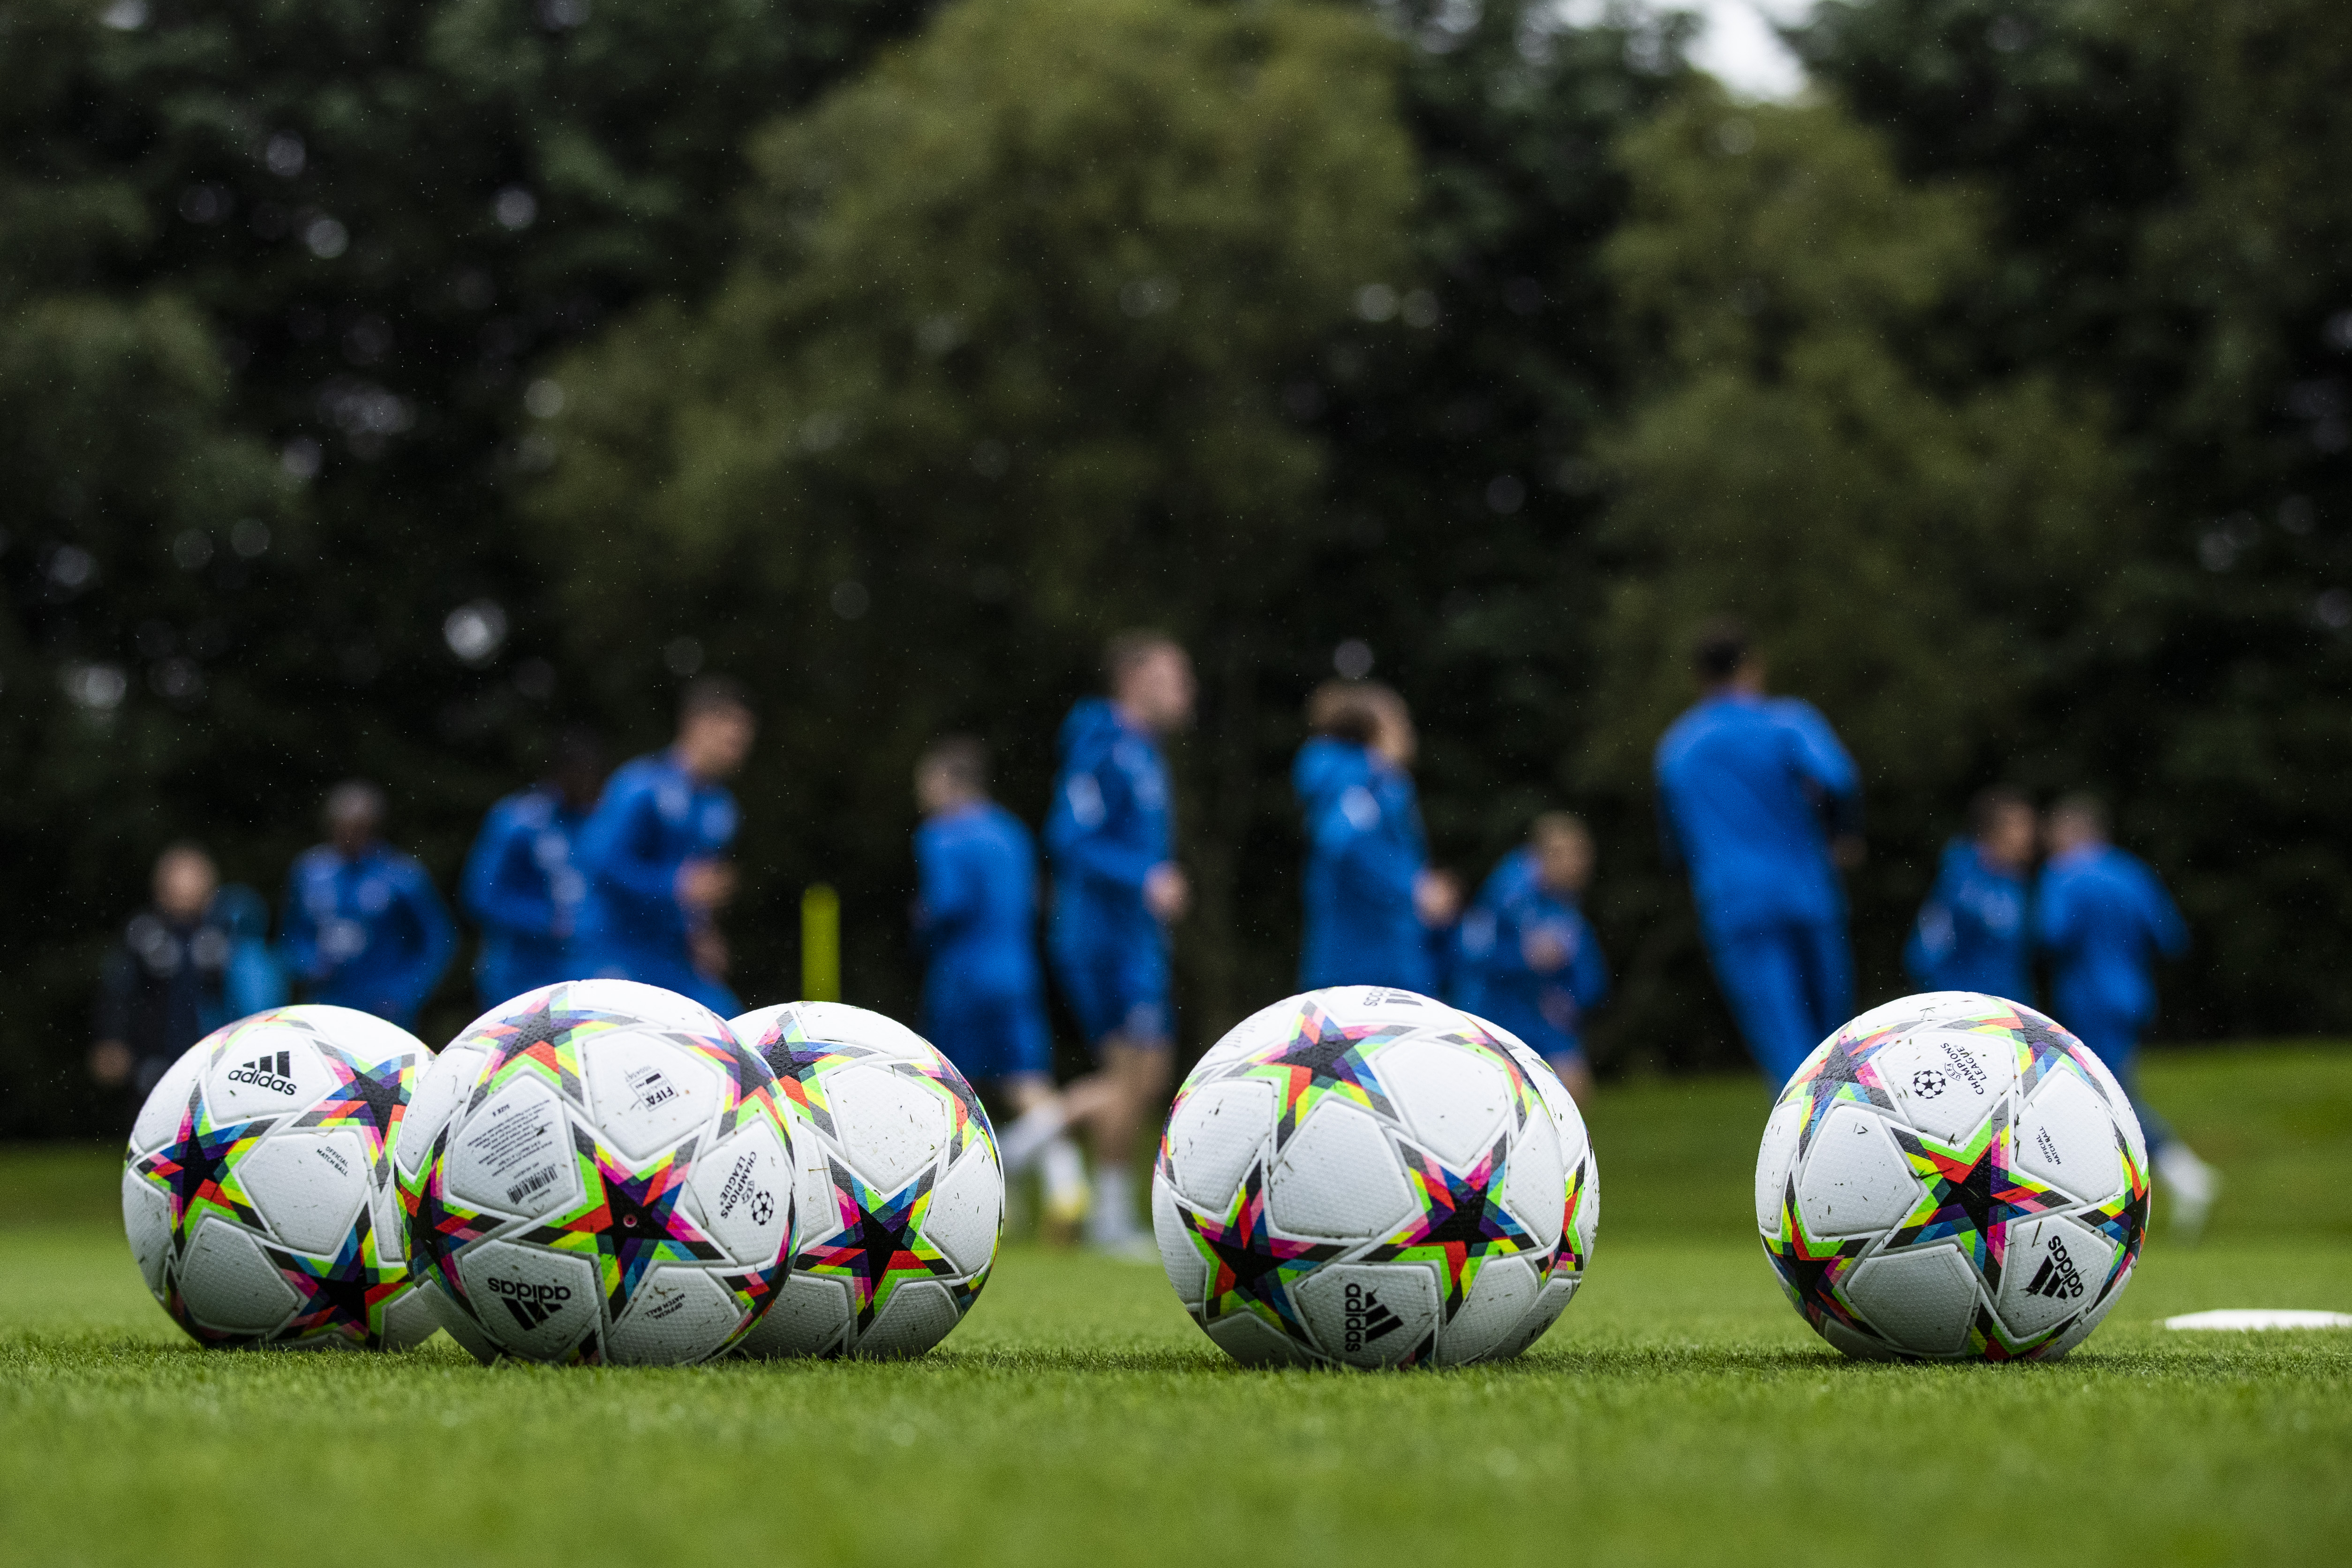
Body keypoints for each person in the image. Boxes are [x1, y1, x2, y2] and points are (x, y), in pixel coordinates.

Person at [1654, 621, 1862, 1087]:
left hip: (1734, 900)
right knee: (1835, 1037)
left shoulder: (1679, 745)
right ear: (1752, 665)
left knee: (1783, 1041)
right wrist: (1842, 836)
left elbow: (1673, 838)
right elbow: (1839, 779)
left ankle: (1803, 1140)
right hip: (1806, 888)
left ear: (1700, 676)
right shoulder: (1787, 720)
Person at [1042, 630, 1194, 1255]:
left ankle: (1039, 1148)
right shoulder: (1102, 742)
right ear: (1136, 679)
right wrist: (1145, 877)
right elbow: (1069, 836)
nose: (1187, 692)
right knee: (1137, 1071)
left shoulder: (1143, 749)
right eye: (1174, 676)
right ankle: (1104, 1214)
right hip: (1104, 935)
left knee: (1142, 1073)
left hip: (1132, 936)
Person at [911, 736, 1088, 1235]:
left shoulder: (941, 834)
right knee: (1029, 1082)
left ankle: (959, 1205)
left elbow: (948, 904)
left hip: (963, 975)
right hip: (1016, 970)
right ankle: (1067, 1189)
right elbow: (1034, 899)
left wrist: (921, 920)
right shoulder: (1013, 832)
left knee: (947, 1088)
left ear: (947, 782)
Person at [2036, 794, 2218, 1235]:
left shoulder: (2064, 875)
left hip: (2087, 998)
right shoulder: (2131, 871)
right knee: (2110, 1093)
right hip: (2132, 995)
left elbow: (2051, 934)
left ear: (2068, 833)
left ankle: (2180, 1172)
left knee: (2108, 1100)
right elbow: (2170, 937)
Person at [575, 677, 757, 1015]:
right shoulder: (640, 785)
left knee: (735, 1034)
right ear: (695, 724)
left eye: (742, 739)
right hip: (615, 952)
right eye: (728, 735)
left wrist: (703, 933)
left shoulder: (723, 808)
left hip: (675, 960)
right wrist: (673, 884)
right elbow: (597, 864)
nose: (737, 746)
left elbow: (697, 891)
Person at [1294, 679, 1462, 995]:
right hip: (1369, 970)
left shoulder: (1367, 781)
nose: (1410, 732)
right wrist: (1414, 891)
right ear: (1377, 728)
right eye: (1402, 721)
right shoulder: (1370, 780)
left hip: (1361, 964)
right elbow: (1343, 843)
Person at [91, 845, 286, 1106]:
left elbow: (256, 991)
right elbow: (118, 990)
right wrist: (112, 1039)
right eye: (174, 884)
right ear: (159, 890)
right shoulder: (142, 933)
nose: (183, 893)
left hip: (215, 1057)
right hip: (151, 1058)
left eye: (193, 883)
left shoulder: (230, 935)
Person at [1454, 813, 1608, 1103]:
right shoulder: (1509, 892)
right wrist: (1525, 959)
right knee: (1501, 1105)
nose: (1579, 866)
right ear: (1545, 855)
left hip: (1544, 1014)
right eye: (1570, 856)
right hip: (1497, 1012)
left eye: (1583, 856)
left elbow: (1585, 972)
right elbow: (1470, 951)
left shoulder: (1564, 895)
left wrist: (1573, 998)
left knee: (1575, 1091)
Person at [281, 782, 457, 1029]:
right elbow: (293, 932)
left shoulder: (401, 875)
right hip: (327, 1000)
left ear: (373, 828)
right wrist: (307, 964)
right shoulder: (310, 871)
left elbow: (437, 940)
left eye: (359, 828)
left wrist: (405, 993)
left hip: (384, 1006)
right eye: (343, 827)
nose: (350, 836)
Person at [461, 730, 607, 1008]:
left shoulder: (600, 820)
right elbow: (481, 895)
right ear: (562, 774)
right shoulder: (518, 820)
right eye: (583, 777)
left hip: (585, 968)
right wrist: (548, 921)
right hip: (519, 972)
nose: (591, 787)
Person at [1905, 786, 2035, 1002]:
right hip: (1963, 1011)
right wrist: (1945, 1006)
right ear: (1995, 830)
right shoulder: (1961, 875)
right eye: (2021, 825)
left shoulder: (2015, 882)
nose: (2030, 835)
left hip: (2006, 1010)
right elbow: (1925, 953)